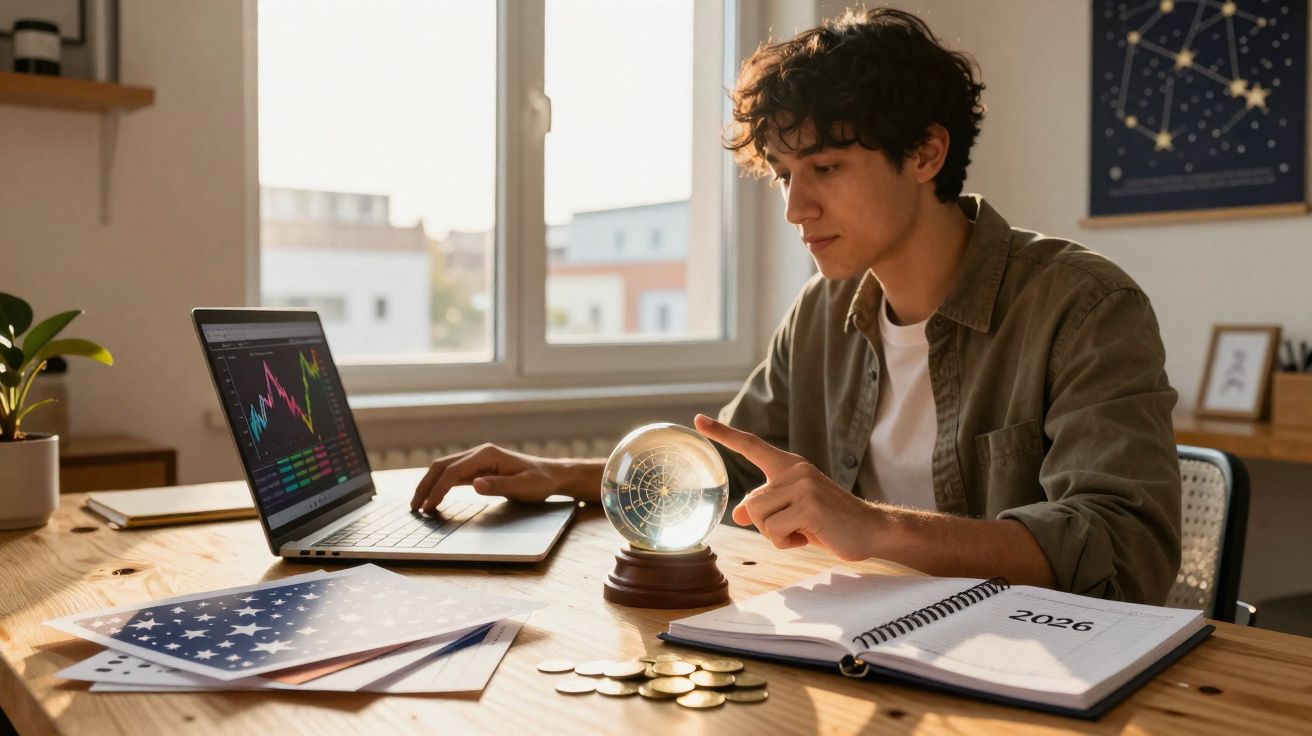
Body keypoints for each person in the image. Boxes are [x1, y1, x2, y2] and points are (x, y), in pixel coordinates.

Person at [410, 7, 1182, 604]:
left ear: (926, 154)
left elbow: (1124, 547)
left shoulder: (1084, 306)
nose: (795, 207)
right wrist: (565, 473)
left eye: (826, 166)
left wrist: (872, 527)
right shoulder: (823, 312)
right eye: (783, 173)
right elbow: (737, 477)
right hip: (875, 643)